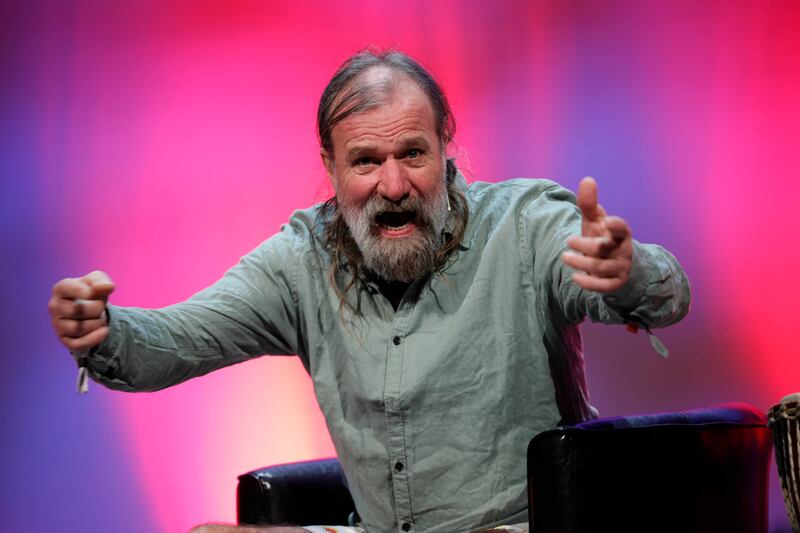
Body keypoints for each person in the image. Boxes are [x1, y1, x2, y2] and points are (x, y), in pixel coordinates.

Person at [48, 50, 690, 533]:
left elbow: (666, 295)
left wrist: (628, 274)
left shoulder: (525, 226)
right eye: (365, 162)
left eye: (413, 154)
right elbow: (174, 342)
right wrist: (105, 332)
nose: (392, 185)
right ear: (330, 166)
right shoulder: (300, 259)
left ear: (447, 147)